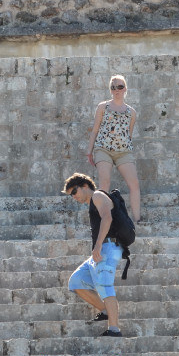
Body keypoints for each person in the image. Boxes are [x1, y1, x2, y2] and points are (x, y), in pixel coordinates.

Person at [63, 172, 124, 337]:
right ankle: (105, 310)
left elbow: (107, 218)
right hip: (103, 248)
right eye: (70, 195)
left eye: (74, 192)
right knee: (76, 281)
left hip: (108, 247)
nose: (73, 197)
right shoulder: (92, 202)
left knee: (105, 286)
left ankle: (114, 329)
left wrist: (98, 245)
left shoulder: (97, 195)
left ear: (84, 186)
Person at [86, 74, 142, 221]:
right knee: (104, 182)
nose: (117, 90)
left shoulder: (132, 113)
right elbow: (95, 130)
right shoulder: (103, 107)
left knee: (134, 183)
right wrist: (89, 151)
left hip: (123, 152)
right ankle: (102, 219)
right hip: (103, 149)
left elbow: (128, 134)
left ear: (125, 89)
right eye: (113, 87)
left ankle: (137, 219)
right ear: (110, 90)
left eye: (120, 86)